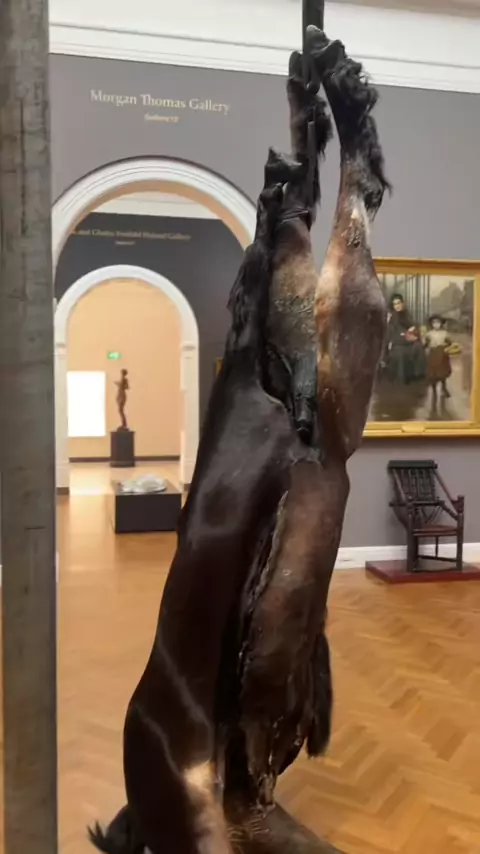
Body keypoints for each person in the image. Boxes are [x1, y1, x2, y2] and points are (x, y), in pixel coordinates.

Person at [384, 293, 426, 384]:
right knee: (400, 352)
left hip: (408, 340)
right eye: (395, 304)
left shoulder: (407, 315)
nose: (397, 306)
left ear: (402, 303)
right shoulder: (392, 318)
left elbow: (414, 326)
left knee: (418, 347)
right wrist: (404, 335)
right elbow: (391, 334)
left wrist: (413, 330)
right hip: (397, 342)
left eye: (399, 303)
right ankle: (401, 378)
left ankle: (417, 375)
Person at [424, 315, 452, 399]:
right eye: (434, 323)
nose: (436, 325)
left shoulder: (444, 333)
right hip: (433, 354)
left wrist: (447, 347)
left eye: (438, 323)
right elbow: (426, 344)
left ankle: (444, 388)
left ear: (441, 324)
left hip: (442, 354)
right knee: (433, 374)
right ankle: (434, 390)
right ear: (432, 324)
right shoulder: (429, 334)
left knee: (442, 372)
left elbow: (450, 343)